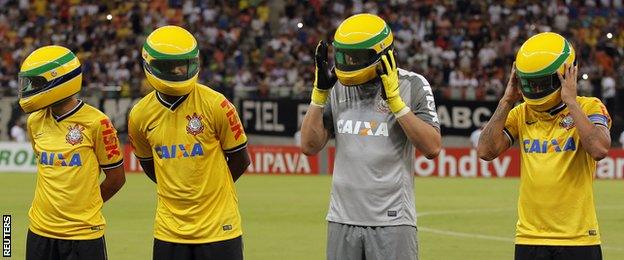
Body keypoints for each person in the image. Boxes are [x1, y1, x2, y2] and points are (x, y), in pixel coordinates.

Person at [300, 13, 441, 260]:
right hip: (341, 219)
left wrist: (396, 103)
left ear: (383, 55)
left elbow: (432, 147)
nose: (349, 62)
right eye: (344, 56)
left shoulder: (413, 84)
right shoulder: (336, 86)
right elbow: (309, 146)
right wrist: (319, 94)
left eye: (357, 57)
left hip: (393, 220)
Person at [478, 32, 611, 260]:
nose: (536, 91)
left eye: (541, 84)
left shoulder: (589, 107)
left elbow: (599, 148)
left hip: (578, 238)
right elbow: (485, 151)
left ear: (566, 74)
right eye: (530, 84)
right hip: (529, 238)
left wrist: (570, 101)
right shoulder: (521, 113)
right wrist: (506, 100)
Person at [127, 25, 250, 260]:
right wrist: (178, 186)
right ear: (149, 65)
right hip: (169, 231)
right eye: (169, 67)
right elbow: (148, 165)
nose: (178, 71)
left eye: (183, 65)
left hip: (219, 228)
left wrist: (208, 189)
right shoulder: (139, 115)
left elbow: (240, 159)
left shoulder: (217, 104)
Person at [18, 45, 126, 260]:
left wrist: (86, 207)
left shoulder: (98, 122)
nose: (31, 89)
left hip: (83, 235)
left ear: (60, 81)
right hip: (39, 231)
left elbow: (116, 178)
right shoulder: (34, 121)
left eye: (37, 83)